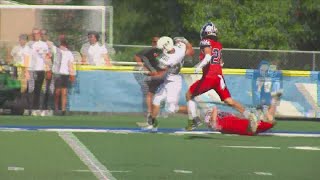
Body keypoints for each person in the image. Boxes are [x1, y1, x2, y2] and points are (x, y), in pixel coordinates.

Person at [185, 22, 255, 131]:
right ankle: (249, 115)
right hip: (219, 78)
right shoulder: (218, 45)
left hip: (209, 77)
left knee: (189, 95)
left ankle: (194, 120)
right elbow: (221, 62)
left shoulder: (205, 41)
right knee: (229, 101)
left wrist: (199, 66)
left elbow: (208, 57)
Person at [145, 36, 194, 131]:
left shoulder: (168, 59)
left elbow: (161, 72)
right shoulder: (179, 48)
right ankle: (152, 125)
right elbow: (191, 51)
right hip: (168, 79)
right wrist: (186, 41)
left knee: (171, 109)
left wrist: (150, 73)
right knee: (156, 100)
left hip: (174, 82)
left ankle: (193, 114)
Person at [204, 91, 282, 136]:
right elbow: (214, 114)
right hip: (245, 126)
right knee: (270, 121)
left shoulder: (219, 122)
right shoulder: (216, 125)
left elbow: (214, 110)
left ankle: (270, 104)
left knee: (269, 121)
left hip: (244, 125)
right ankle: (271, 103)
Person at [134, 36, 164, 125]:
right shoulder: (149, 51)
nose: (155, 44)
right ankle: (150, 116)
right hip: (156, 76)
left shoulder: (165, 51)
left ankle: (157, 114)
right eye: (153, 42)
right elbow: (137, 56)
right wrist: (144, 69)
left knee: (163, 97)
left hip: (165, 76)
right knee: (150, 94)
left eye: (157, 42)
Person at [28, 28, 50, 115]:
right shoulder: (29, 44)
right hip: (31, 69)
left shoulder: (43, 44)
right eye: (34, 34)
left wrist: (48, 69)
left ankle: (41, 108)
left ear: (40, 35)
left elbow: (46, 57)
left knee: (41, 89)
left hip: (41, 69)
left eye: (37, 34)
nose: (35, 35)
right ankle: (32, 108)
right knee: (31, 89)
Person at [51, 40, 76, 115]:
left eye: (63, 45)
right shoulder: (56, 50)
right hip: (57, 74)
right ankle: (55, 107)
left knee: (64, 92)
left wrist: (72, 74)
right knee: (57, 92)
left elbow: (70, 64)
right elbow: (50, 45)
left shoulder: (69, 53)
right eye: (61, 45)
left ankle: (63, 109)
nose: (62, 46)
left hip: (65, 74)